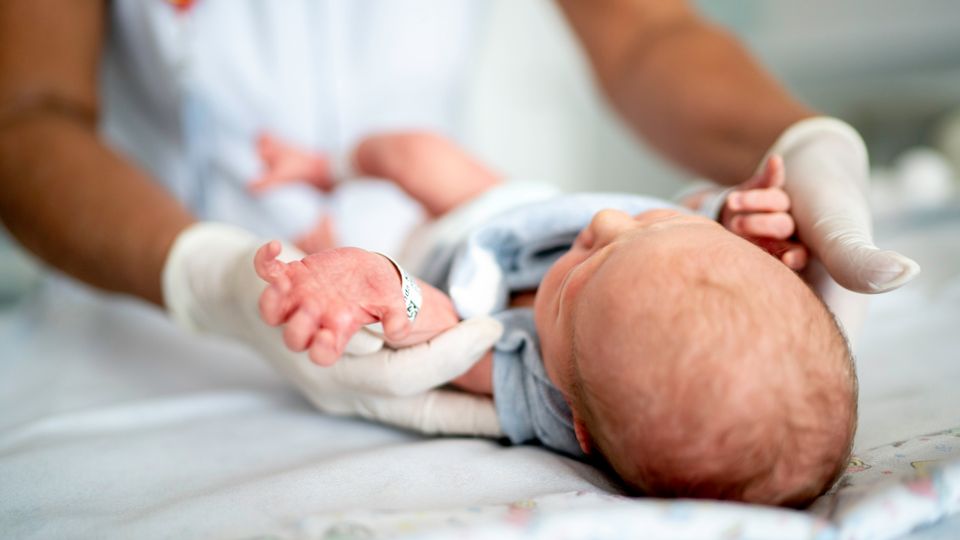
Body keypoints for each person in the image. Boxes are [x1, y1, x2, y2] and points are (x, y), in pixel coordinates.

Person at [0, 1, 916, 437]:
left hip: (366, 264)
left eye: (605, 254)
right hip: (143, 271)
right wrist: (746, 209)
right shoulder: (615, 266)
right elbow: (24, 114)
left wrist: (802, 146)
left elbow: (645, 30)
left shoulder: (573, 388)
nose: (601, 228)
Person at [251, 131, 856, 507]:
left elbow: (448, 336)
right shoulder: (691, 261)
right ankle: (328, 164)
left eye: (586, 269)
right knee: (415, 154)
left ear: (576, 419)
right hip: (514, 213)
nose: (606, 224)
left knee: (374, 236)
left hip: (446, 263)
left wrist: (386, 285)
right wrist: (731, 213)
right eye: (652, 230)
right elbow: (690, 214)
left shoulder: (546, 394)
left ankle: (326, 230)